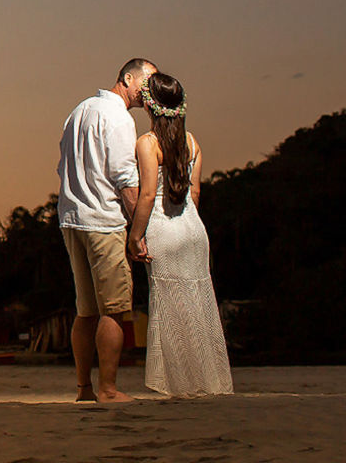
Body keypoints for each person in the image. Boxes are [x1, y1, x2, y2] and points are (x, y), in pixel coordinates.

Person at [128, 72, 234, 397]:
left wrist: (134, 236)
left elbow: (147, 196)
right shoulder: (192, 142)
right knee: (199, 306)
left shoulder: (147, 144)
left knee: (171, 309)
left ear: (150, 104)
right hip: (193, 231)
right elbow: (196, 193)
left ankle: (179, 384)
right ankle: (208, 382)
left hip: (164, 231)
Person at [57, 58, 153, 403]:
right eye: (148, 80)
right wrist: (138, 231)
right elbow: (126, 178)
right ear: (128, 78)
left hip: (72, 217)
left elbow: (63, 161)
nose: (150, 89)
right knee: (114, 308)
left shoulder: (80, 110)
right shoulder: (118, 117)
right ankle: (108, 389)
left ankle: (84, 389)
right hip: (103, 220)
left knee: (86, 311)